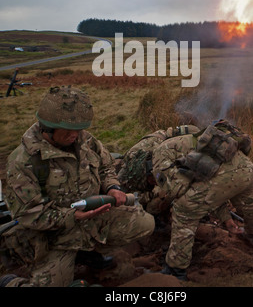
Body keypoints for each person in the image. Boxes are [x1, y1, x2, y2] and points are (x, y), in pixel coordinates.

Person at [1, 85, 154, 287]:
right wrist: (71, 217)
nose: (76, 135)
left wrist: (112, 187)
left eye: (79, 129)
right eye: (69, 131)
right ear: (48, 127)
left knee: (145, 223)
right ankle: (10, 282)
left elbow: (106, 167)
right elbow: (30, 214)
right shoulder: (23, 161)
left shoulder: (86, 140)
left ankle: (87, 253)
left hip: (90, 221)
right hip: (53, 237)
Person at [152, 120, 253, 280]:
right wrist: (224, 216)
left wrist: (185, 195)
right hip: (247, 169)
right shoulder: (203, 138)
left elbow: (176, 188)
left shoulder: (160, 151)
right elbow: (214, 189)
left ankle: (176, 270)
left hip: (224, 176)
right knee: (248, 202)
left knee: (184, 210)